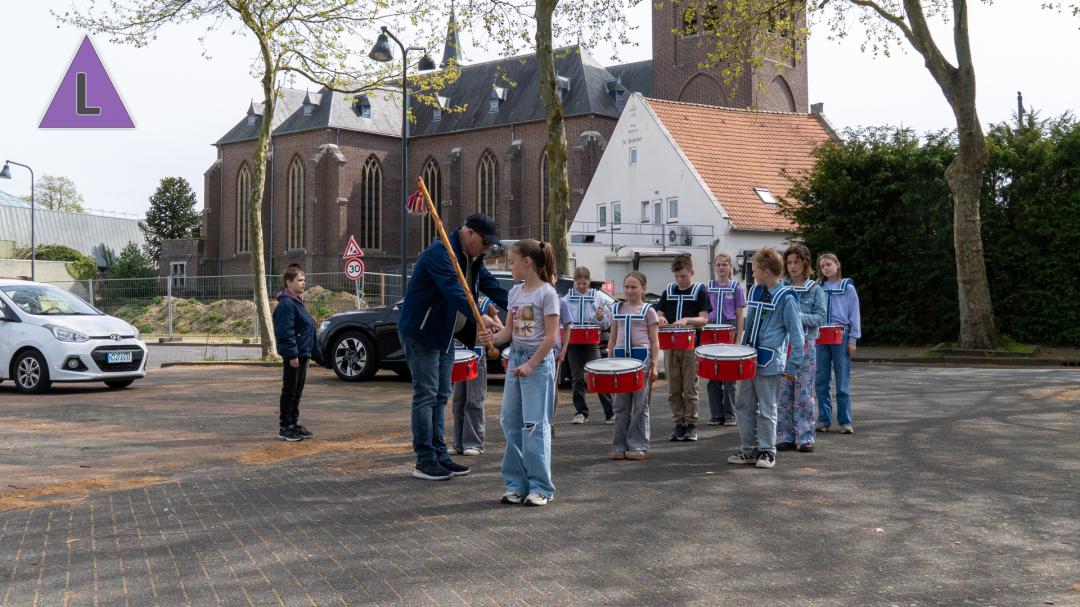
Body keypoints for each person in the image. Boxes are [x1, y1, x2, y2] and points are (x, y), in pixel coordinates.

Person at [398, 213, 509, 481]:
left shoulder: (472, 257)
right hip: (422, 332)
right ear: (469, 233)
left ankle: (439, 454)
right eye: (484, 243)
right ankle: (424, 460)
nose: (487, 248)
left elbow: (489, 285)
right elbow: (454, 290)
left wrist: (520, 301)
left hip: (445, 334)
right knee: (426, 395)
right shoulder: (441, 253)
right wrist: (478, 316)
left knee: (440, 394)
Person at [490, 239, 560, 507]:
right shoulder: (515, 293)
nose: (510, 266)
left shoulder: (547, 294)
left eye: (512, 261)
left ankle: (541, 487)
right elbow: (509, 332)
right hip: (516, 360)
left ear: (527, 262)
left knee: (534, 426)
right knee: (510, 422)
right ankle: (516, 484)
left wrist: (531, 364)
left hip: (538, 365)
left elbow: (551, 337)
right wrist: (492, 338)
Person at [727, 247, 804, 469]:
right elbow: (750, 323)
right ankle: (748, 449)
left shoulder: (787, 298)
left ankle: (768, 451)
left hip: (770, 362)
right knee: (743, 406)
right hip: (749, 360)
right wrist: (740, 352)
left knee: (767, 409)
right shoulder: (755, 292)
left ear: (767, 271)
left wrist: (792, 366)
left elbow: (797, 335)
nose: (752, 273)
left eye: (755, 269)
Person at [656, 254, 711, 442]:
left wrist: (688, 320)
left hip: (690, 345)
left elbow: (704, 319)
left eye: (683, 276)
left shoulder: (699, 291)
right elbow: (659, 313)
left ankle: (691, 424)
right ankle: (678, 423)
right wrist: (660, 318)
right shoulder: (669, 290)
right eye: (677, 276)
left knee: (690, 387)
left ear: (691, 272)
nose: (680, 280)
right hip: (670, 345)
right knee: (673, 388)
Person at [776, 245, 826, 453]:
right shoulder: (781, 288)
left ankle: (805, 436)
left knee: (804, 392)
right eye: (789, 262)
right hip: (784, 346)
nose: (793, 266)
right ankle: (785, 435)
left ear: (805, 263)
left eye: (797, 262)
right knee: (784, 393)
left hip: (806, 345)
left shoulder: (815, 289)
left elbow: (821, 318)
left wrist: (797, 318)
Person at [606, 272, 660, 461]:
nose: (629, 291)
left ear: (643, 289)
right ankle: (619, 445)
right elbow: (612, 338)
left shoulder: (649, 310)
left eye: (634, 287)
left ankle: (638, 445)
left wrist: (654, 365)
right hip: (620, 362)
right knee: (620, 405)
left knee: (640, 405)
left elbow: (654, 342)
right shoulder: (617, 309)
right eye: (627, 287)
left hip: (641, 361)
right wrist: (609, 359)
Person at [815, 252, 862, 434]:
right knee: (821, 379)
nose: (826, 268)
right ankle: (824, 420)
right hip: (820, 335)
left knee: (842, 380)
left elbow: (854, 313)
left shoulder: (847, 287)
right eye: (822, 266)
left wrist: (853, 339)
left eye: (828, 264)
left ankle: (845, 421)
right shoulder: (818, 287)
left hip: (840, 334)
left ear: (837, 264)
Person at [451, 296, 504, 457]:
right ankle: (458, 443)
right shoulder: (458, 297)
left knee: (474, 400)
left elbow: (500, 329)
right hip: (459, 354)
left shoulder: (485, 302)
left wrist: (493, 319)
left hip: (477, 355)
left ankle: (474, 442)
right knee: (458, 400)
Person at [563, 267, 614, 424]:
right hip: (573, 341)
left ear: (589, 282)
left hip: (591, 340)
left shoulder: (597, 296)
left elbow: (606, 322)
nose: (582, 287)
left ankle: (610, 412)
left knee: (598, 374)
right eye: (579, 284)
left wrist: (600, 317)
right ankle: (581, 412)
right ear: (574, 282)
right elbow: (562, 319)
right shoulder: (567, 298)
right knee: (576, 377)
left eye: (585, 284)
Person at [273, 265, 317, 442]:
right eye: (299, 280)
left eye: (304, 280)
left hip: (302, 354)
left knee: (297, 390)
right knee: (290, 390)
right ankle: (286, 426)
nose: (303, 283)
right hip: (295, 356)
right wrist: (292, 355)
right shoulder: (287, 304)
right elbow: (286, 331)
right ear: (288, 282)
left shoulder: (298, 302)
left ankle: (293, 423)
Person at [705, 253, 746, 426]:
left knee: (729, 375)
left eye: (724, 265)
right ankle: (716, 414)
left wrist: (738, 339)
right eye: (718, 264)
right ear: (715, 266)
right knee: (712, 374)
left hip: (729, 328)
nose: (721, 268)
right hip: (712, 329)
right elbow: (704, 312)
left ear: (730, 267)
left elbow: (739, 315)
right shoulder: (707, 287)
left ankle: (730, 414)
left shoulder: (736, 287)